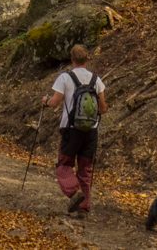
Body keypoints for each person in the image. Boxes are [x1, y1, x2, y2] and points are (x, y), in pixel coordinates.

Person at [41, 44, 107, 218]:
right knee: (85, 169)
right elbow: (103, 108)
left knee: (64, 165)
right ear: (87, 59)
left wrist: (45, 101)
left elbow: (55, 102)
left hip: (70, 130)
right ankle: (83, 209)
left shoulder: (65, 78)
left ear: (71, 59)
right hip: (91, 131)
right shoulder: (96, 80)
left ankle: (73, 192)